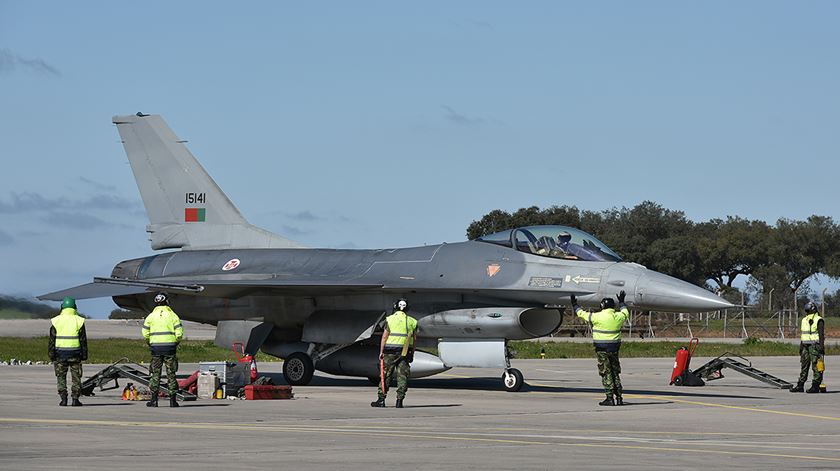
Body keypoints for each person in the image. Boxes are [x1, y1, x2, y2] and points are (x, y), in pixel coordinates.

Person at [571, 290, 629, 406]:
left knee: (606, 372)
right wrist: (622, 302)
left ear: (602, 306)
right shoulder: (618, 316)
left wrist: (575, 305)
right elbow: (625, 312)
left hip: (602, 349)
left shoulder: (596, 316)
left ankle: (609, 398)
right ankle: (619, 398)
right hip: (614, 349)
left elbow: (582, 314)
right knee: (615, 372)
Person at [371, 299, 418, 408]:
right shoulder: (413, 321)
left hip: (390, 351)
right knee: (402, 376)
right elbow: (414, 340)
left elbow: (384, 336)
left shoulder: (390, 319)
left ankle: (381, 400)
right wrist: (412, 353)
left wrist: (381, 351)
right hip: (405, 352)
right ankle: (399, 401)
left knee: (386, 375)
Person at [142, 292, 184, 407]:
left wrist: (150, 343)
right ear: (167, 302)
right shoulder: (172, 315)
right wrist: (176, 342)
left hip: (155, 348)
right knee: (171, 373)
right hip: (170, 348)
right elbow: (179, 333)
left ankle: (154, 400)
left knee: (155, 373)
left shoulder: (151, 316)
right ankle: (173, 401)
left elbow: (145, 332)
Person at [48, 297, 88, 407]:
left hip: (60, 354)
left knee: (61, 377)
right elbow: (83, 340)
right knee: (76, 378)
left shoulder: (56, 321)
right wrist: (84, 355)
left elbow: (52, 340)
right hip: (75, 354)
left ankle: (63, 399)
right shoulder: (79, 321)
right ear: (75, 307)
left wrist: (51, 354)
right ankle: (75, 400)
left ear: (62, 307)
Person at [790, 301, 824, 393]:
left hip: (815, 346)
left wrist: (821, 347)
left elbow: (821, 335)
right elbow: (803, 334)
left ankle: (816, 386)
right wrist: (801, 347)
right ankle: (800, 385)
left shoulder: (818, 319)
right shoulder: (804, 320)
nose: (807, 311)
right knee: (804, 366)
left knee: (816, 366)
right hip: (805, 345)